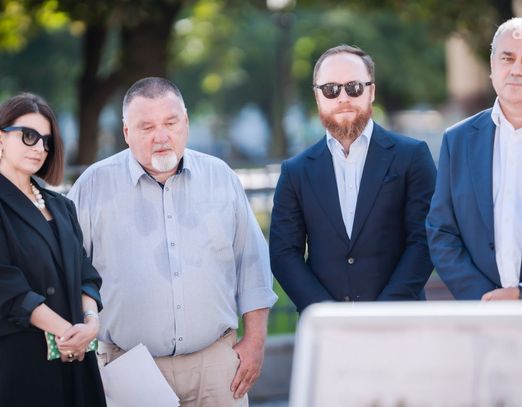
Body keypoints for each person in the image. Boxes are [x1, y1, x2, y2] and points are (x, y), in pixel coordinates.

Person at [68, 77, 277, 406]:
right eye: (147, 127)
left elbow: (252, 265)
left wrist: (255, 341)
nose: (161, 137)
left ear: (186, 122)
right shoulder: (92, 186)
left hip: (217, 368)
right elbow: (71, 273)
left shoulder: (221, 177)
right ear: (126, 132)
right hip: (129, 368)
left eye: (170, 123)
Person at [269, 45, 437, 313]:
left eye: (354, 87)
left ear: (371, 91)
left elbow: (424, 240)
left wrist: (383, 313)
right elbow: (284, 254)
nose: (343, 97)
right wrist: (328, 315)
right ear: (317, 96)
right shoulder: (295, 172)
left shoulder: (412, 157)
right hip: (326, 327)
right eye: (331, 89)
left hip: (401, 322)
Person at [0, 93, 106, 406]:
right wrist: (69, 333)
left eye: (46, 141)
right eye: (28, 136)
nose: (39, 148)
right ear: (1, 138)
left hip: (77, 358)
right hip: (22, 364)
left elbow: (85, 273)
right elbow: (8, 288)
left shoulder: (62, 205)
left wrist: (91, 323)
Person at [427, 17, 522, 301]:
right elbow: (442, 231)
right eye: (507, 58)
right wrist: (483, 297)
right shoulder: (458, 140)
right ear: (492, 66)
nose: (516, 69)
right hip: (482, 312)